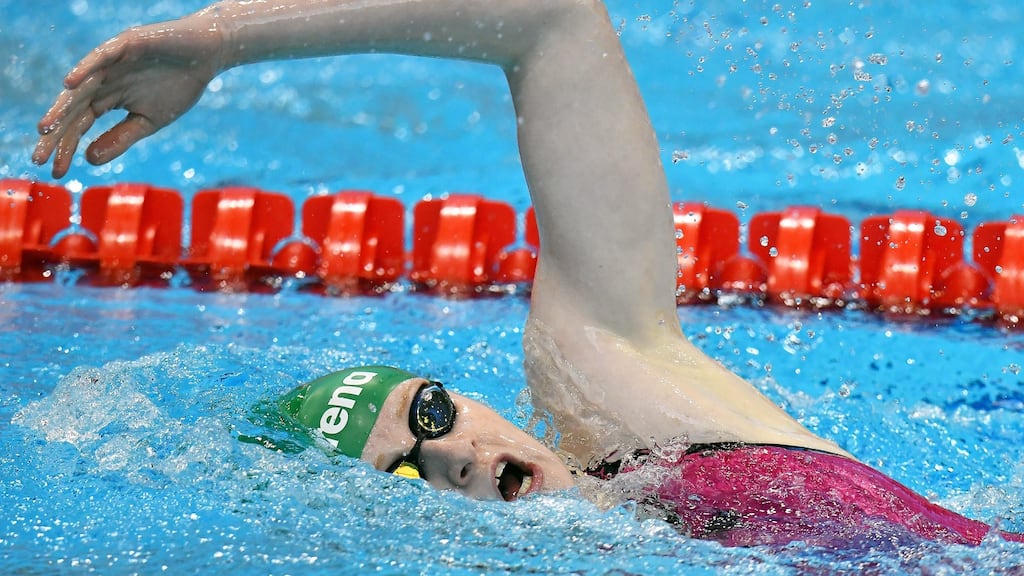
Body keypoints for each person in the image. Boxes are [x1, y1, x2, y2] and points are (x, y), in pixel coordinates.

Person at [33, 0, 1020, 547]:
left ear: (461, 399)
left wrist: (219, 40)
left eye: (427, 420)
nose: (450, 456)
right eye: (406, 474)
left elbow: (547, 18)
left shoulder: (623, 403)